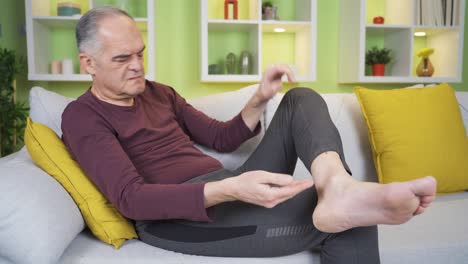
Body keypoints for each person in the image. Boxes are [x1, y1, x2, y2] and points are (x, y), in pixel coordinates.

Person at [61, 7, 437, 264]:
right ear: (88, 63)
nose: (139, 66)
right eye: (123, 59)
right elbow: (131, 200)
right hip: (178, 219)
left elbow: (222, 138)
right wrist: (232, 189)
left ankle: (338, 186)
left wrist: (260, 97)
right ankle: (344, 201)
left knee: (299, 98)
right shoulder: (82, 117)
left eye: (141, 54)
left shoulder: (159, 92)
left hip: (225, 187)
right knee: (355, 219)